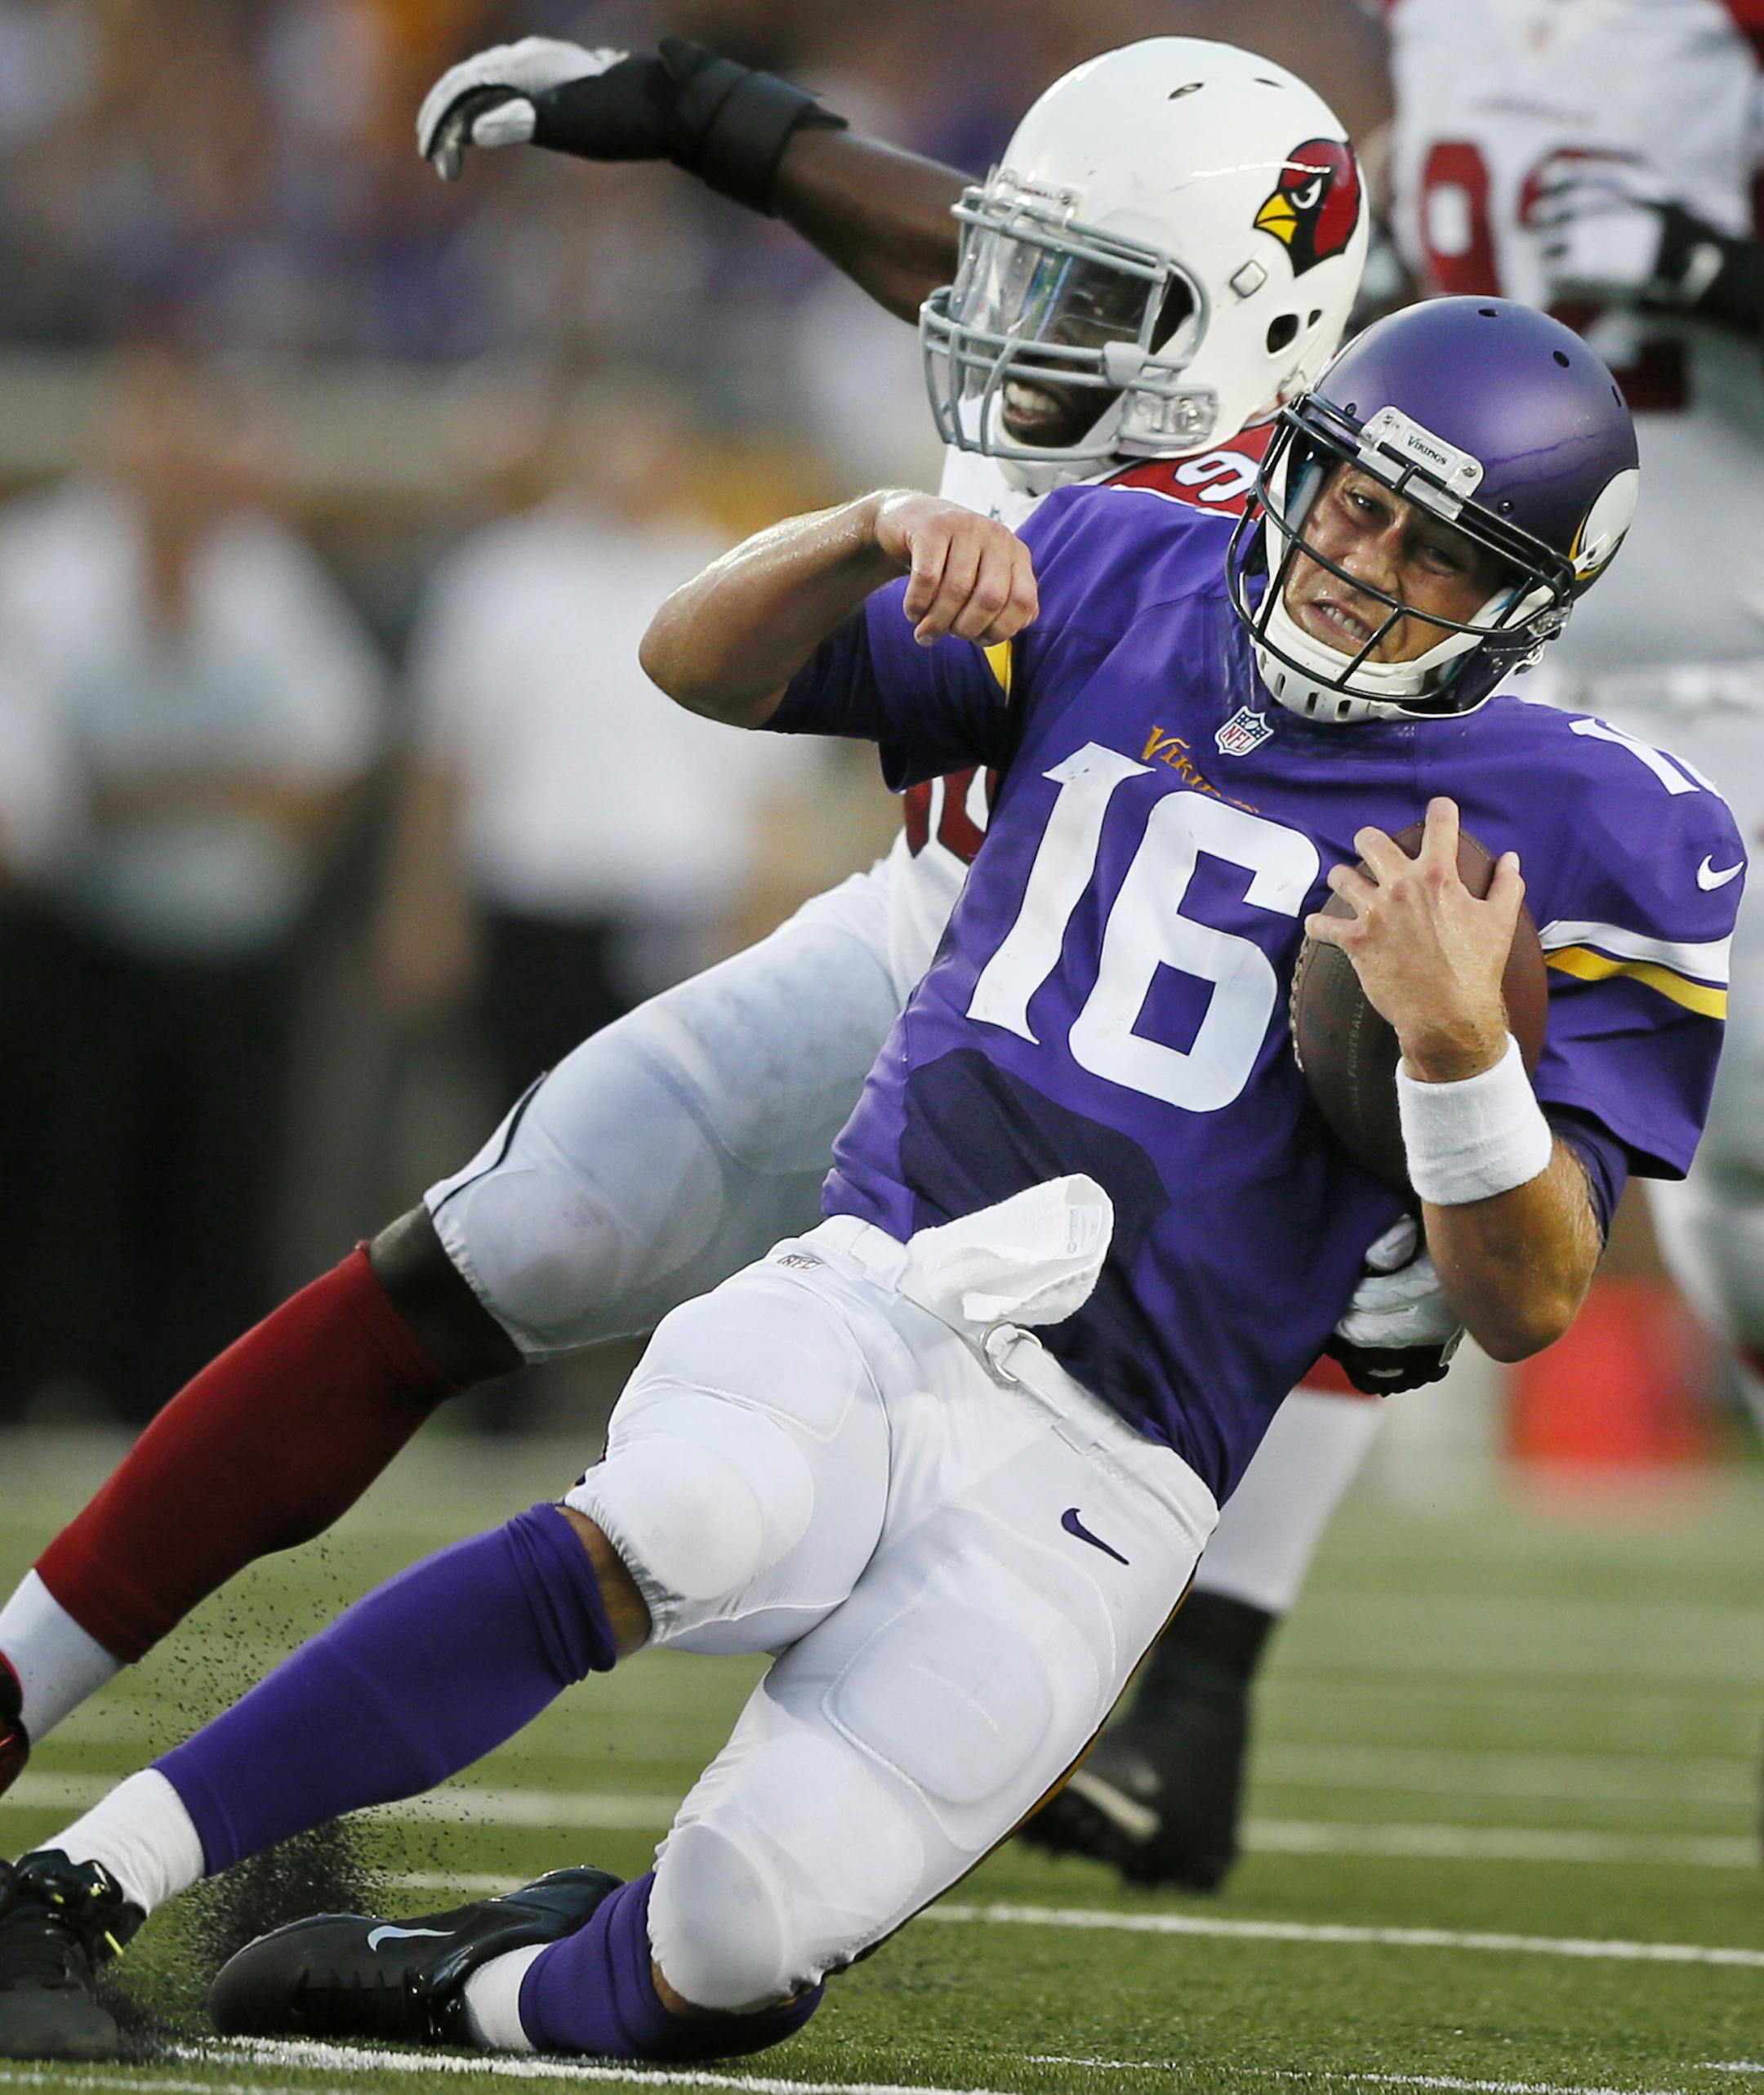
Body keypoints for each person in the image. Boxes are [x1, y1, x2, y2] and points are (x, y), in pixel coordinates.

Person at [0, 296, 1736, 2070]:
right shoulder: (1129, 559)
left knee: (736, 1941)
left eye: (1437, 550)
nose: (1360, 563)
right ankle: (71, 1884)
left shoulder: (1614, 828)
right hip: (890, 1285)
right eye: (1355, 499)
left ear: (1531, 600)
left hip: (1131, 1457)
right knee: (684, 1512)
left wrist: (1457, 1054)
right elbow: (706, 665)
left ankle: (455, 1978)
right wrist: (857, 532)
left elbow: (1531, 1301)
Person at [0, 32, 1398, 1812]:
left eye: (1083, 289)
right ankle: (19, 1692)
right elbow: (947, 247)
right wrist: (703, 115)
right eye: (1030, 265)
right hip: (916, 933)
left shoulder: (1346, 556)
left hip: (1102, 1074)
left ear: (1246, 338)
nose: (1001, 314)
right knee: (469, 1256)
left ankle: (686, 1896)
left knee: (787, 1575)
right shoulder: (1115, 362)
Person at [1031, 0, 1764, 1889]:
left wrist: (1721, 262)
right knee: (1350, 1099)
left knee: (1739, 1214)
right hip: (1512, 666)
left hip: (1743, 667)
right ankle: (1189, 1689)